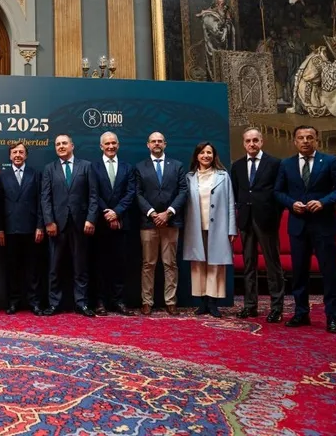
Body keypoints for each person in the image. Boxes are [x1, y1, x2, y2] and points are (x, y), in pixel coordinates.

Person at [274, 125, 336, 334]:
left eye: (309, 137)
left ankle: (333, 318)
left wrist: (324, 202)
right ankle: (301, 313)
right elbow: (278, 192)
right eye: (301, 138)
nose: (305, 141)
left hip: (324, 225)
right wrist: (291, 203)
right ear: (295, 141)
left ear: (316, 140)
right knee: (299, 273)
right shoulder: (286, 164)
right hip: (298, 226)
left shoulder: (330, 161)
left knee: (330, 273)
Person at [41, 134, 98, 317]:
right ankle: (54, 304)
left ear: (72, 145)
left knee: (80, 266)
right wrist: (49, 221)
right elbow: (45, 198)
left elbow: (93, 196)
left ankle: (81, 304)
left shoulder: (86, 166)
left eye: (64, 143)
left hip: (80, 224)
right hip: (56, 225)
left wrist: (91, 219)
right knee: (54, 268)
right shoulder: (49, 169)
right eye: (57, 144)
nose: (61, 146)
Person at [230, 128, 284, 322]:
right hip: (246, 220)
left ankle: (276, 307)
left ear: (262, 142)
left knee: (272, 264)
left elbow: (279, 194)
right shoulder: (236, 166)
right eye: (248, 141)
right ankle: (249, 305)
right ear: (244, 144)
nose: (251, 144)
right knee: (248, 264)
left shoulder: (275, 164)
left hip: (266, 220)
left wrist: (274, 216)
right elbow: (236, 194)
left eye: (255, 140)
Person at [136, 131, 187, 315]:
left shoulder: (177, 166)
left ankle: (171, 301)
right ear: (147, 145)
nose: (156, 144)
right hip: (148, 223)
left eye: (160, 141)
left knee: (170, 263)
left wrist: (168, 213)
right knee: (148, 264)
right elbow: (138, 194)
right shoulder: (140, 167)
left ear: (165, 144)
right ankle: (147, 301)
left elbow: (183, 191)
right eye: (153, 141)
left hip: (171, 222)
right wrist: (152, 213)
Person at [183, 142, 237, 318]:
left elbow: (230, 203)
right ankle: (202, 302)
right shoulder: (189, 177)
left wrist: (231, 229)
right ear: (196, 155)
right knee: (198, 264)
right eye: (202, 152)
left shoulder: (223, 176)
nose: (206, 155)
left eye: (209, 153)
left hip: (218, 227)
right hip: (195, 227)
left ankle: (213, 302)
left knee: (216, 264)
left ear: (214, 156)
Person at [0, 142, 44, 316]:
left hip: (31, 229)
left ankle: (34, 302)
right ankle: (13, 302)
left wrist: (39, 226)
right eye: (14, 152)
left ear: (26, 155)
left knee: (33, 269)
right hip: (9, 229)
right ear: (10, 156)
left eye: (21, 152)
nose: (17, 155)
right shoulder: (2, 176)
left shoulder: (35, 174)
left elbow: (40, 202)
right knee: (12, 268)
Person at [89, 131, 136, 316]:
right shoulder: (93, 167)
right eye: (107, 144)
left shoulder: (127, 167)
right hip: (100, 224)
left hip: (121, 223)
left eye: (113, 143)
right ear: (101, 146)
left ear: (118, 145)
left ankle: (118, 301)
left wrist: (116, 212)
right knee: (99, 265)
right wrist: (107, 213)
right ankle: (100, 302)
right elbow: (94, 193)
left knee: (120, 264)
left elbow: (130, 193)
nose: (110, 146)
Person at [196, 0, 235, 81]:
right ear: (216, 5)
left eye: (224, 4)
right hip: (213, 53)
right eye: (222, 4)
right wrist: (227, 21)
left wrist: (228, 21)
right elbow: (218, 33)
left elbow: (227, 31)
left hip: (224, 53)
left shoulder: (220, 16)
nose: (224, 7)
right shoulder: (208, 17)